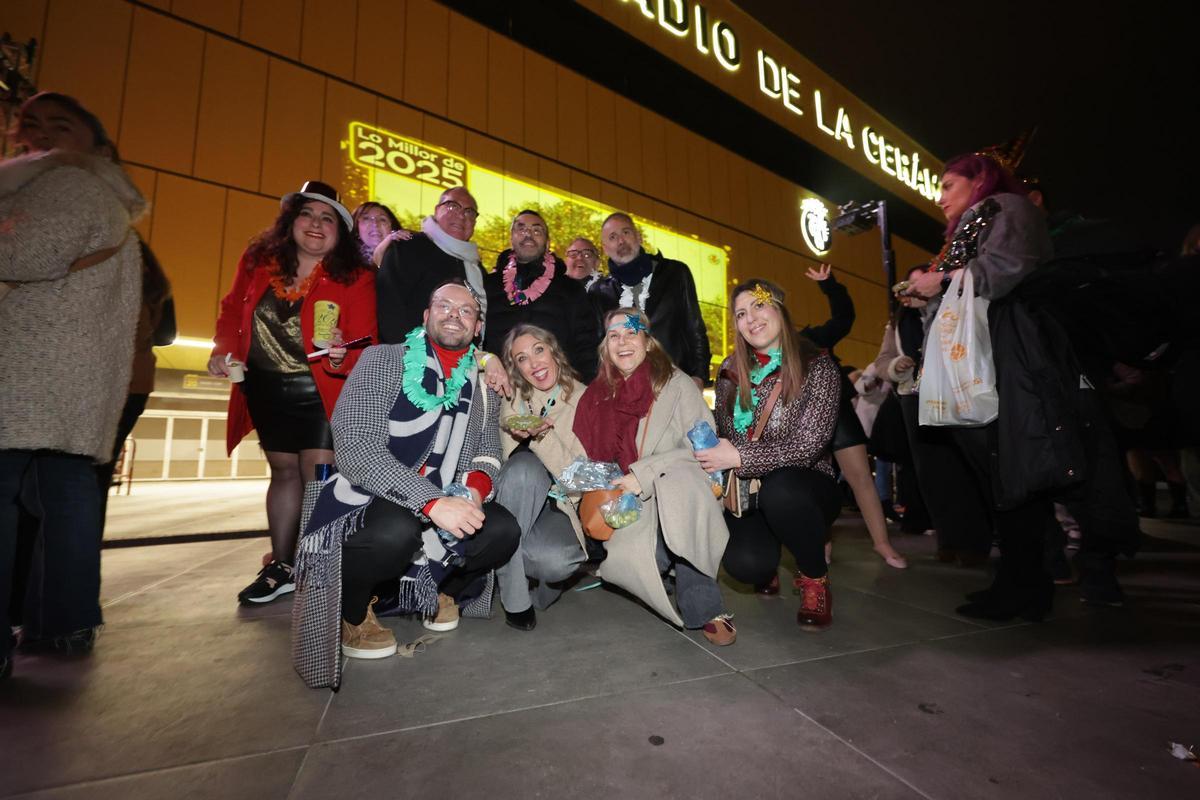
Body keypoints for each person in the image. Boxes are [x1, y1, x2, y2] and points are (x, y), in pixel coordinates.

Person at [292, 280, 520, 688]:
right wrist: (432, 502)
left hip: (447, 492)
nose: (454, 315)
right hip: (372, 493)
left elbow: (488, 452)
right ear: (426, 316)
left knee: (502, 530)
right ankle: (352, 611)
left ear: (477, 327)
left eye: (466, 310)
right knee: (396, 530)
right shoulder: (382, 359)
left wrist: (473, 493)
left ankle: (433, 586)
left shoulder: (485, 383)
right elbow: (356, 446)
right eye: (444, 306)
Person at [1, 92, 146, 675]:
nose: (40, 137)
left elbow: (28, 253)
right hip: (70, 374)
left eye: (60, 127)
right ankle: (64, 622)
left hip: (31, 367)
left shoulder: (68, 182)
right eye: (31, 126)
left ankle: (53, 623)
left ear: (97, 146)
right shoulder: (106, 198)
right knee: (65, 489)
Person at [904, 152, 1057, 621]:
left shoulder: (1006, 208)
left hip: (1005, 362)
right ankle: (1019, 581)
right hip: (982, 365)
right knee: (998, 477)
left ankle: (1026, 586)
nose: (940, 197)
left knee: (1011, 474)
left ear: (980, 181)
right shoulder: (976, 224)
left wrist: (943, 280)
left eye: (949, 185)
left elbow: (1008, 270)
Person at [209, 180, 376, 606]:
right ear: (291, 221)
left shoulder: (356, 277)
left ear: (340, 232)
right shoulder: (258, 261)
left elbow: (365, 343)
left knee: (318, 476)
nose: (316, 224)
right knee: (282, 472)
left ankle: (319, 564)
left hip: (322, 390)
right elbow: (232, 308)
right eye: (307, 214)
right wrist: (222, 349)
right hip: (266, 387)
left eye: (327, 218)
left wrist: (341, 354)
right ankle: (281, 566)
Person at [573, 308, 736, 646]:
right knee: (646, 556)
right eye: (614, 336)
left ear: (648, 342)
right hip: (629, 503)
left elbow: (704, 449)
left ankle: (705, 606)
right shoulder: (596, 395)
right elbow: (583, 456)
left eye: (631, 333)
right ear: (605, 347)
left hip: (680, 489)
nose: (623, 342)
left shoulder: (677, 385)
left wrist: (643, 474)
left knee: (682, 494)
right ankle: (660, 559)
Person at [697, 280, 843, 630]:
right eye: (741, 314)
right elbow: (722, 431)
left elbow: (809, 445)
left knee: (782, 491)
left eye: (759, 306)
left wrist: (740, 457)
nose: (751, 319)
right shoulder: (730, 369)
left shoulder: (817, 365)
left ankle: (814, 577)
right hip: (748, 492)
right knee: (746, 566)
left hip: (806, 486)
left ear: (779, 308)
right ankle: (770, 557)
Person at [798, 264, 906, 569]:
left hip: (837, 410)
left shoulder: (809, 338)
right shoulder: (762, 356)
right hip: (803, 423)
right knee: (817, 484)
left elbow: (844, 318)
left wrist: (830, 285)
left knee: (861, 477)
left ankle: (883, 544)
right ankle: (823, 542)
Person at [493, 324, 588, 630]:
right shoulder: (510, 394)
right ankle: (515, 596)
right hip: (511, 499)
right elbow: (463, 360)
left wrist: (542, 437)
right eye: (522, 358)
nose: (534, 364)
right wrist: (488, 361)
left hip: (558, 504)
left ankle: (501, 561)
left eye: (538, 351)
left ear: (553, 351)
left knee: (558, 562)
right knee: (524, 468)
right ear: (514, 367)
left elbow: (581, 480)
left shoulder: (585, 399)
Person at [589, 212, 711, 388]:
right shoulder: (599, 292)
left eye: (626, 232)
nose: (621, 241)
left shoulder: (675, 273)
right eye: (613, 237)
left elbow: (695, 328)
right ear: (605, 248)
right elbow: (599, 346)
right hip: (624, 389)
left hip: (674, 382)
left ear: (638, 237)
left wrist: (699, 376)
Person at [483, 209, 599, 381]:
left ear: (547, 242)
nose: (528, 235)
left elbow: (587, 346)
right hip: (498, 386)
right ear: (511, 238)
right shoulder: (488, 285)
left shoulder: (570, 289)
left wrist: (585, 388)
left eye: (537, 230)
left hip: (559, 388)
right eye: (521, 229)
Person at [375, 187, 486, 344]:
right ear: (437, 210)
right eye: (453, 206)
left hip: (463, 357)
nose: (461, 215)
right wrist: (407, 353)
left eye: (469, 212)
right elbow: (389, 307)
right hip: (409, 352)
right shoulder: (408, 246)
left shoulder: (477, 268)